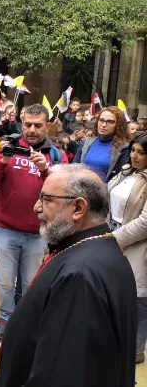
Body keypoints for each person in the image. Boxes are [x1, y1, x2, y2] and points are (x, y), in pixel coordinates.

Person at [0, 164, 137, 387]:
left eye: (46, 199)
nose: (36, 207)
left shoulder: (79, 276)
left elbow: (62, 374)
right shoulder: (90, 250)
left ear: (78, 208)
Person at [0, 103, 68, 341]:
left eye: (38, 125)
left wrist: (44, 170)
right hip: (5, 228)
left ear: (47, 126)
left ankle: (25, 316)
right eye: (27, 124)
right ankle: (6, 316)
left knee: (30, 281)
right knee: (6, 281)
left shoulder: (56, 154)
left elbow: (64, 191)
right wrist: (2, 161)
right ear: (21, 122)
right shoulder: (8, 146)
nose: (32, 130)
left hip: (38, 231)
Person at [108, 131, 147, 363]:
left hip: (137, 246)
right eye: (133, 150)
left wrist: (113, 239)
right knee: (117, 294)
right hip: (113, 236)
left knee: (139, 300)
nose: (134, 156)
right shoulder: (124, 173)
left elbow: (145, 223)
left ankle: (136, 350)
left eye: (141, 153)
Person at [74, 106, 130, 182]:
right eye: (101, 120)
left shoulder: (124, 148)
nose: (103, 125)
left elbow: (121, 178)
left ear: (118, 125)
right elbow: (73, 168)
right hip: (81, 189)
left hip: (106, 191)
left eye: (110, 122)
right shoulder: (86, 143)